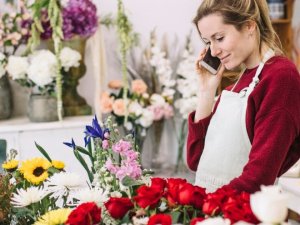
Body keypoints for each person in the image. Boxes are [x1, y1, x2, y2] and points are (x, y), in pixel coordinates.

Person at [187, 0, 300, 193]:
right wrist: (206, 91)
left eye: (219, 38)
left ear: (249, 25)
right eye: (208, 42)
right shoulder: (234, 88)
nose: (213, 51)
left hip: (241, 216)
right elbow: (197, 160)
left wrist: (206, 206)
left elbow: (258, 179)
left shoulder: (281, 78)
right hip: (217, 211)